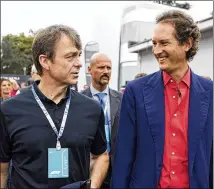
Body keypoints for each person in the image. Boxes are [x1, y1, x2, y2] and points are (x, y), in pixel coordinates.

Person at [111, 10, 213, 189]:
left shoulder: (209, 92)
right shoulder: (136, 91)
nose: (157, 51)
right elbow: (123, 155)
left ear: (187, 43)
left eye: (164, 43)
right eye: (154, 43)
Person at [0, 24, 109, 189]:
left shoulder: (91, 109)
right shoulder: (9, 110)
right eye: (70, 56)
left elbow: (101, 156)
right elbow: (2, 170)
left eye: (78, 55)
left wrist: (92, 186)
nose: (79, 64)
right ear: (45, 61)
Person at [81, 52, 122, 188]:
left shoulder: (122, 99)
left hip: (116, 167)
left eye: (109, 68)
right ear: (89, 70)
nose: (106, 71)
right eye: (101, 67)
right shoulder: (78, 101)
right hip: (90, 166)